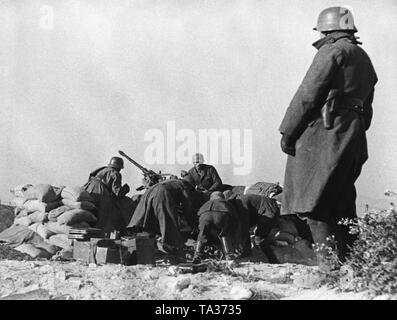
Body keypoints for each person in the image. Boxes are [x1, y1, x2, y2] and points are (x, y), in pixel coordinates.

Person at [278, 6, 378, 262]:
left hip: (325, 133)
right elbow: (367, 109)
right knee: (342, 205)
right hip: (352, 136)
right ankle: (356, 267)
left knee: (315, 204)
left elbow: (308, 94)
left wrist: (288, 132)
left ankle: (329, 270)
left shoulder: (332, 51)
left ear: (327, 30)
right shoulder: (363, 57)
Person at [126, 177, 199, 255]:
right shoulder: (184, 185)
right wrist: (191, 220)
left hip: (150, 192)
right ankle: (169, 245)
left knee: (148, 219)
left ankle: (145, 242)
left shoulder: (172, 182)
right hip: (162, 193)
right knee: (168, 220)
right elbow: (187, 204)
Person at [82, 157, 133, 235]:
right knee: (105, 215)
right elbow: (117, 192)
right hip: (101, 192)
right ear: (119, 167)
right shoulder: (115, 173)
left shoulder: (102, 170)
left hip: (89, 188)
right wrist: (126, 189)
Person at [227, 193, 280, 262]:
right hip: (268, 210)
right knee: (259, 238)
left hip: (268, 211)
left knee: (259, 239)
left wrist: (245, 246)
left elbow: (245, 226)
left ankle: (272, 260)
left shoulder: (241, 203)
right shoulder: (238, 201)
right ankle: (270, 259)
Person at [193, 191, 241, 263]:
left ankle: (197, 255)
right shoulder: (225, 203)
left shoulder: (206, 203)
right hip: (221, 214)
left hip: (204, 216)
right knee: (224, 233)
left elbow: (197, 216)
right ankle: (229, 255)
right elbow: (235, 219)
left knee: (202, 234)